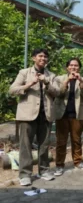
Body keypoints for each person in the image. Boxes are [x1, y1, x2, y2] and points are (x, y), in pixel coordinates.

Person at [9, 49, 59, 186]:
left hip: (46, 115)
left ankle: (44, 171)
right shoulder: (24, 73)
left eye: (45, 56)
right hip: (28, 115)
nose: (43, 58)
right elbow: (12, 90)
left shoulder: (51, 75)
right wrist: (30, 84)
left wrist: (47, 82)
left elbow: (57, 92)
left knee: (44, 146)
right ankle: (25, 174)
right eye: (40, 56)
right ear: (33, 58)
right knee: (25, 146)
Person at [53, 58, 83, 176]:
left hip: (77, 114)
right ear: (67, 67)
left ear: (79, 68)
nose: (74, 67)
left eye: (76, 65)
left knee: (76, 140)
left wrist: (81, 82)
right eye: (71, 65)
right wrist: (67, 82)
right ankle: (59, 165)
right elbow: (58, 93)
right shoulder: (59, 79)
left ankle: (78, 162)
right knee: (61, 141)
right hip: (62, 114)